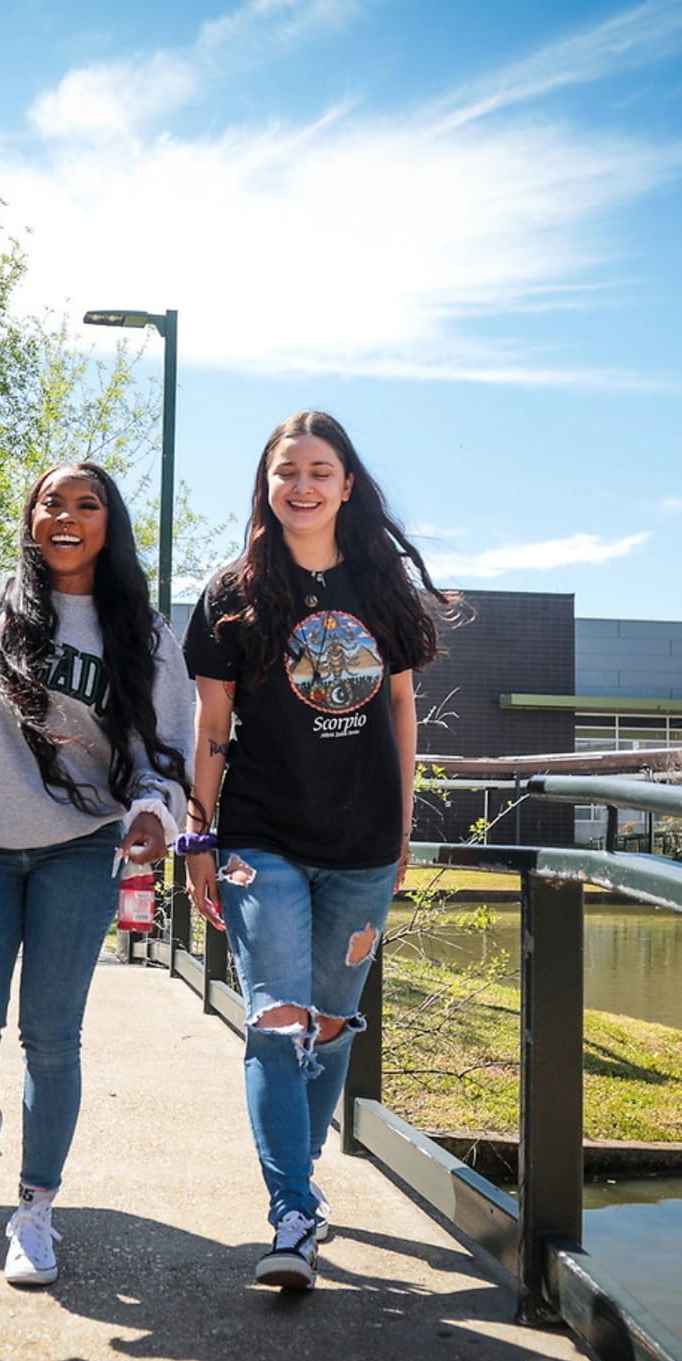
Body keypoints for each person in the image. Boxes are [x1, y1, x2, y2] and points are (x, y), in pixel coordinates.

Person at [0, 461, 194, 1287]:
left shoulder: (142, 631)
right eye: (50, 501)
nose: (65, 515)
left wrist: (156, 812)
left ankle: (35, 1209)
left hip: (78, 848)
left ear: (108, 524)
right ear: (30, 517)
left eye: (86, 505)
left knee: (52, 1037)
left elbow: (163, 748)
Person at [180, 410, 444, 1290]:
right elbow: (212, 722)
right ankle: (292, 1212)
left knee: (330, 1031)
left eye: (320, 470)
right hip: (263, 836)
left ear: (347, 484)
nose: (302, 484)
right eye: (286, 470)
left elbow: (400, 709)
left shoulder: (384, 592)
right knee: (276, 1019)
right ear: (266, 483)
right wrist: (199, 832)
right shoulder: (232, 594)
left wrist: (403, 828)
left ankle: (304, 1190)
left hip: (364, 840)